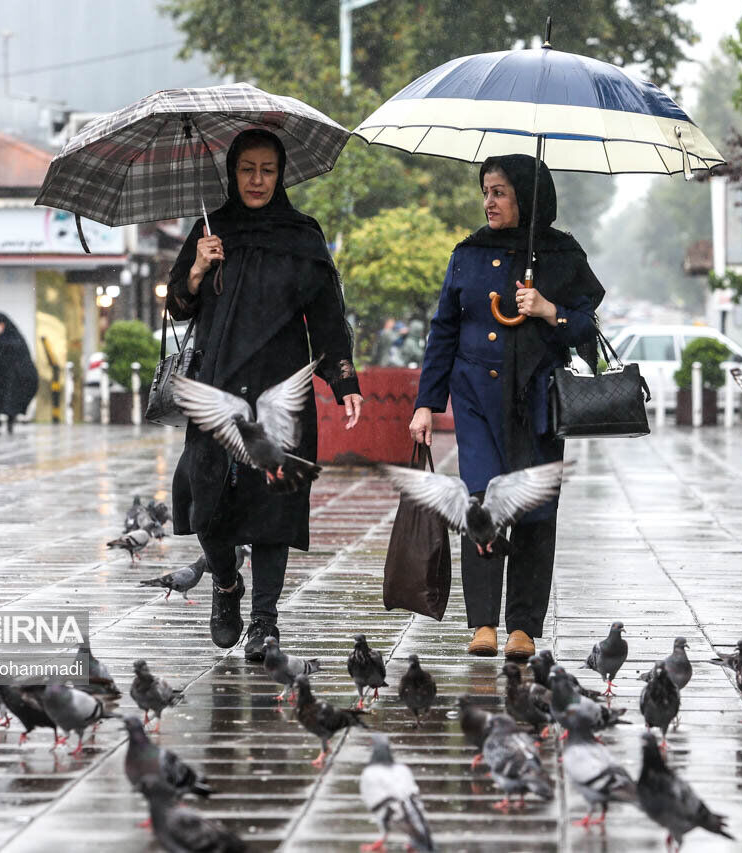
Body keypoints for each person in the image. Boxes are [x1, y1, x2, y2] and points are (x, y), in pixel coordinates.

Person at [166, 129, 363, 658]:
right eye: (247, 169)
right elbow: (177, 307)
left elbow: (326, 317)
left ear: (280, 176)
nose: (256, 180)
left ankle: (265, 623)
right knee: (206, 504)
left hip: (281, 388)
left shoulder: (302, 234)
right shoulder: (211, 229)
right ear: (232, 173)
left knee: (274, 509)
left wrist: (344, 380)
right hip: (218, 387)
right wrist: (198, 268)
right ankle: (226, 584)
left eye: (267, 170)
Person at [409, 154, 605, 660]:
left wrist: (548, 311)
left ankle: (523, 626)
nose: (488, 201)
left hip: (537, 402)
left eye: (499, 192)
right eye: (486, 191)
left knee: (536, 511)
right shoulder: (467, 253)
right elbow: (444, 329)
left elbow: (587, 328)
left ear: (527, 196)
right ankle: (482, 625)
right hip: (475, 398)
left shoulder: (561, 255)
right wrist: (426, 404)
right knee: (484, 505)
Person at [0, 312, 38, 433]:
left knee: (11, 398)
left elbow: (17, 350)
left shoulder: (14, 335)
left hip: (11, 376)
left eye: (0, 324)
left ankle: (11, 419)